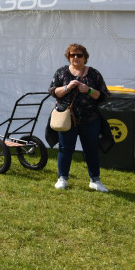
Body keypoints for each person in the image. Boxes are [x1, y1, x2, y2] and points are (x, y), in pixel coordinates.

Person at [48, 43, 109, 192]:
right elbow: (53, 92)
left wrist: (88, 90)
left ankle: (95, 180)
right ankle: (62, 178)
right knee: (65, 149)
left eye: (79, 55)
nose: (75, 57)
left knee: (91, 149)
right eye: (72, 55)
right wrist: (67, 87)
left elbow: (103, 95)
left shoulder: (94, 74)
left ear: (85, 57)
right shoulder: (61, 72)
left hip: (90, 118)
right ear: (68, 57)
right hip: (67, 118)